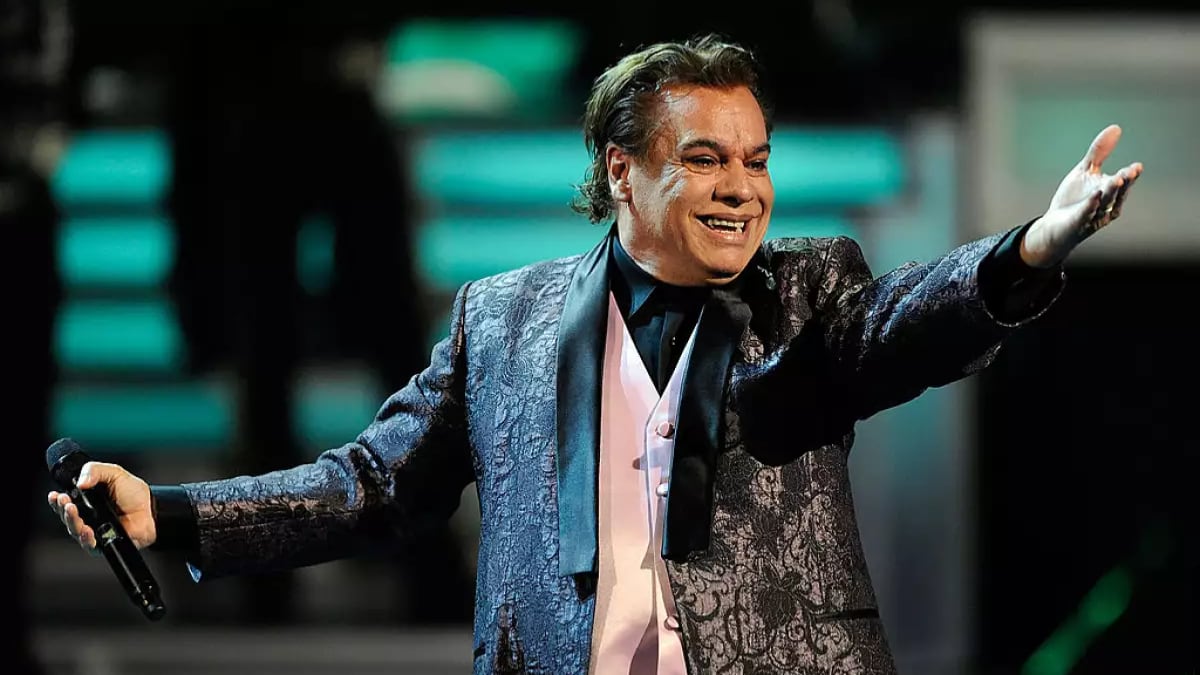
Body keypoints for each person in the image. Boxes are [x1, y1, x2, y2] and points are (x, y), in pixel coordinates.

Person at [47, 34, 1142, 675]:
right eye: (705, 159)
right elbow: (374, 484)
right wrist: (171, 514)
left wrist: (1031, 249)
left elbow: (901, 324)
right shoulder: (503, 322)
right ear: (623, 170)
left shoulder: (811, 287)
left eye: (756, 160)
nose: (742, 189)